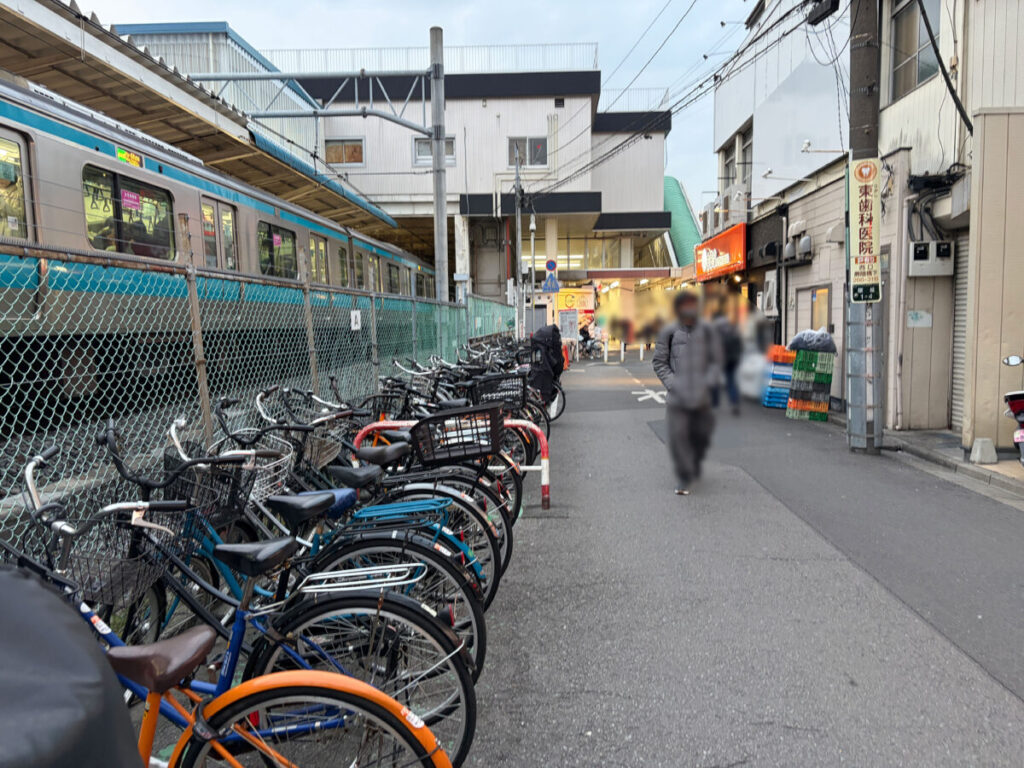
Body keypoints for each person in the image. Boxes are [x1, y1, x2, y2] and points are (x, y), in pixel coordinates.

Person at [652, 290, 724, 496]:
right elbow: (659, 362)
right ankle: (684, 477)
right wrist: (674, 384)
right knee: (679, 437)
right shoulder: (668, 331)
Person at [711, 303, 743, 415]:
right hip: (732, 358)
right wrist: (737, 356)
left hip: (719, 358)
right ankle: (734, 403)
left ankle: (714, 404)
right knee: (731, 380)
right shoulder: (732, 326)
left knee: (714, 380)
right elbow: (739, 342)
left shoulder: (714, 327)